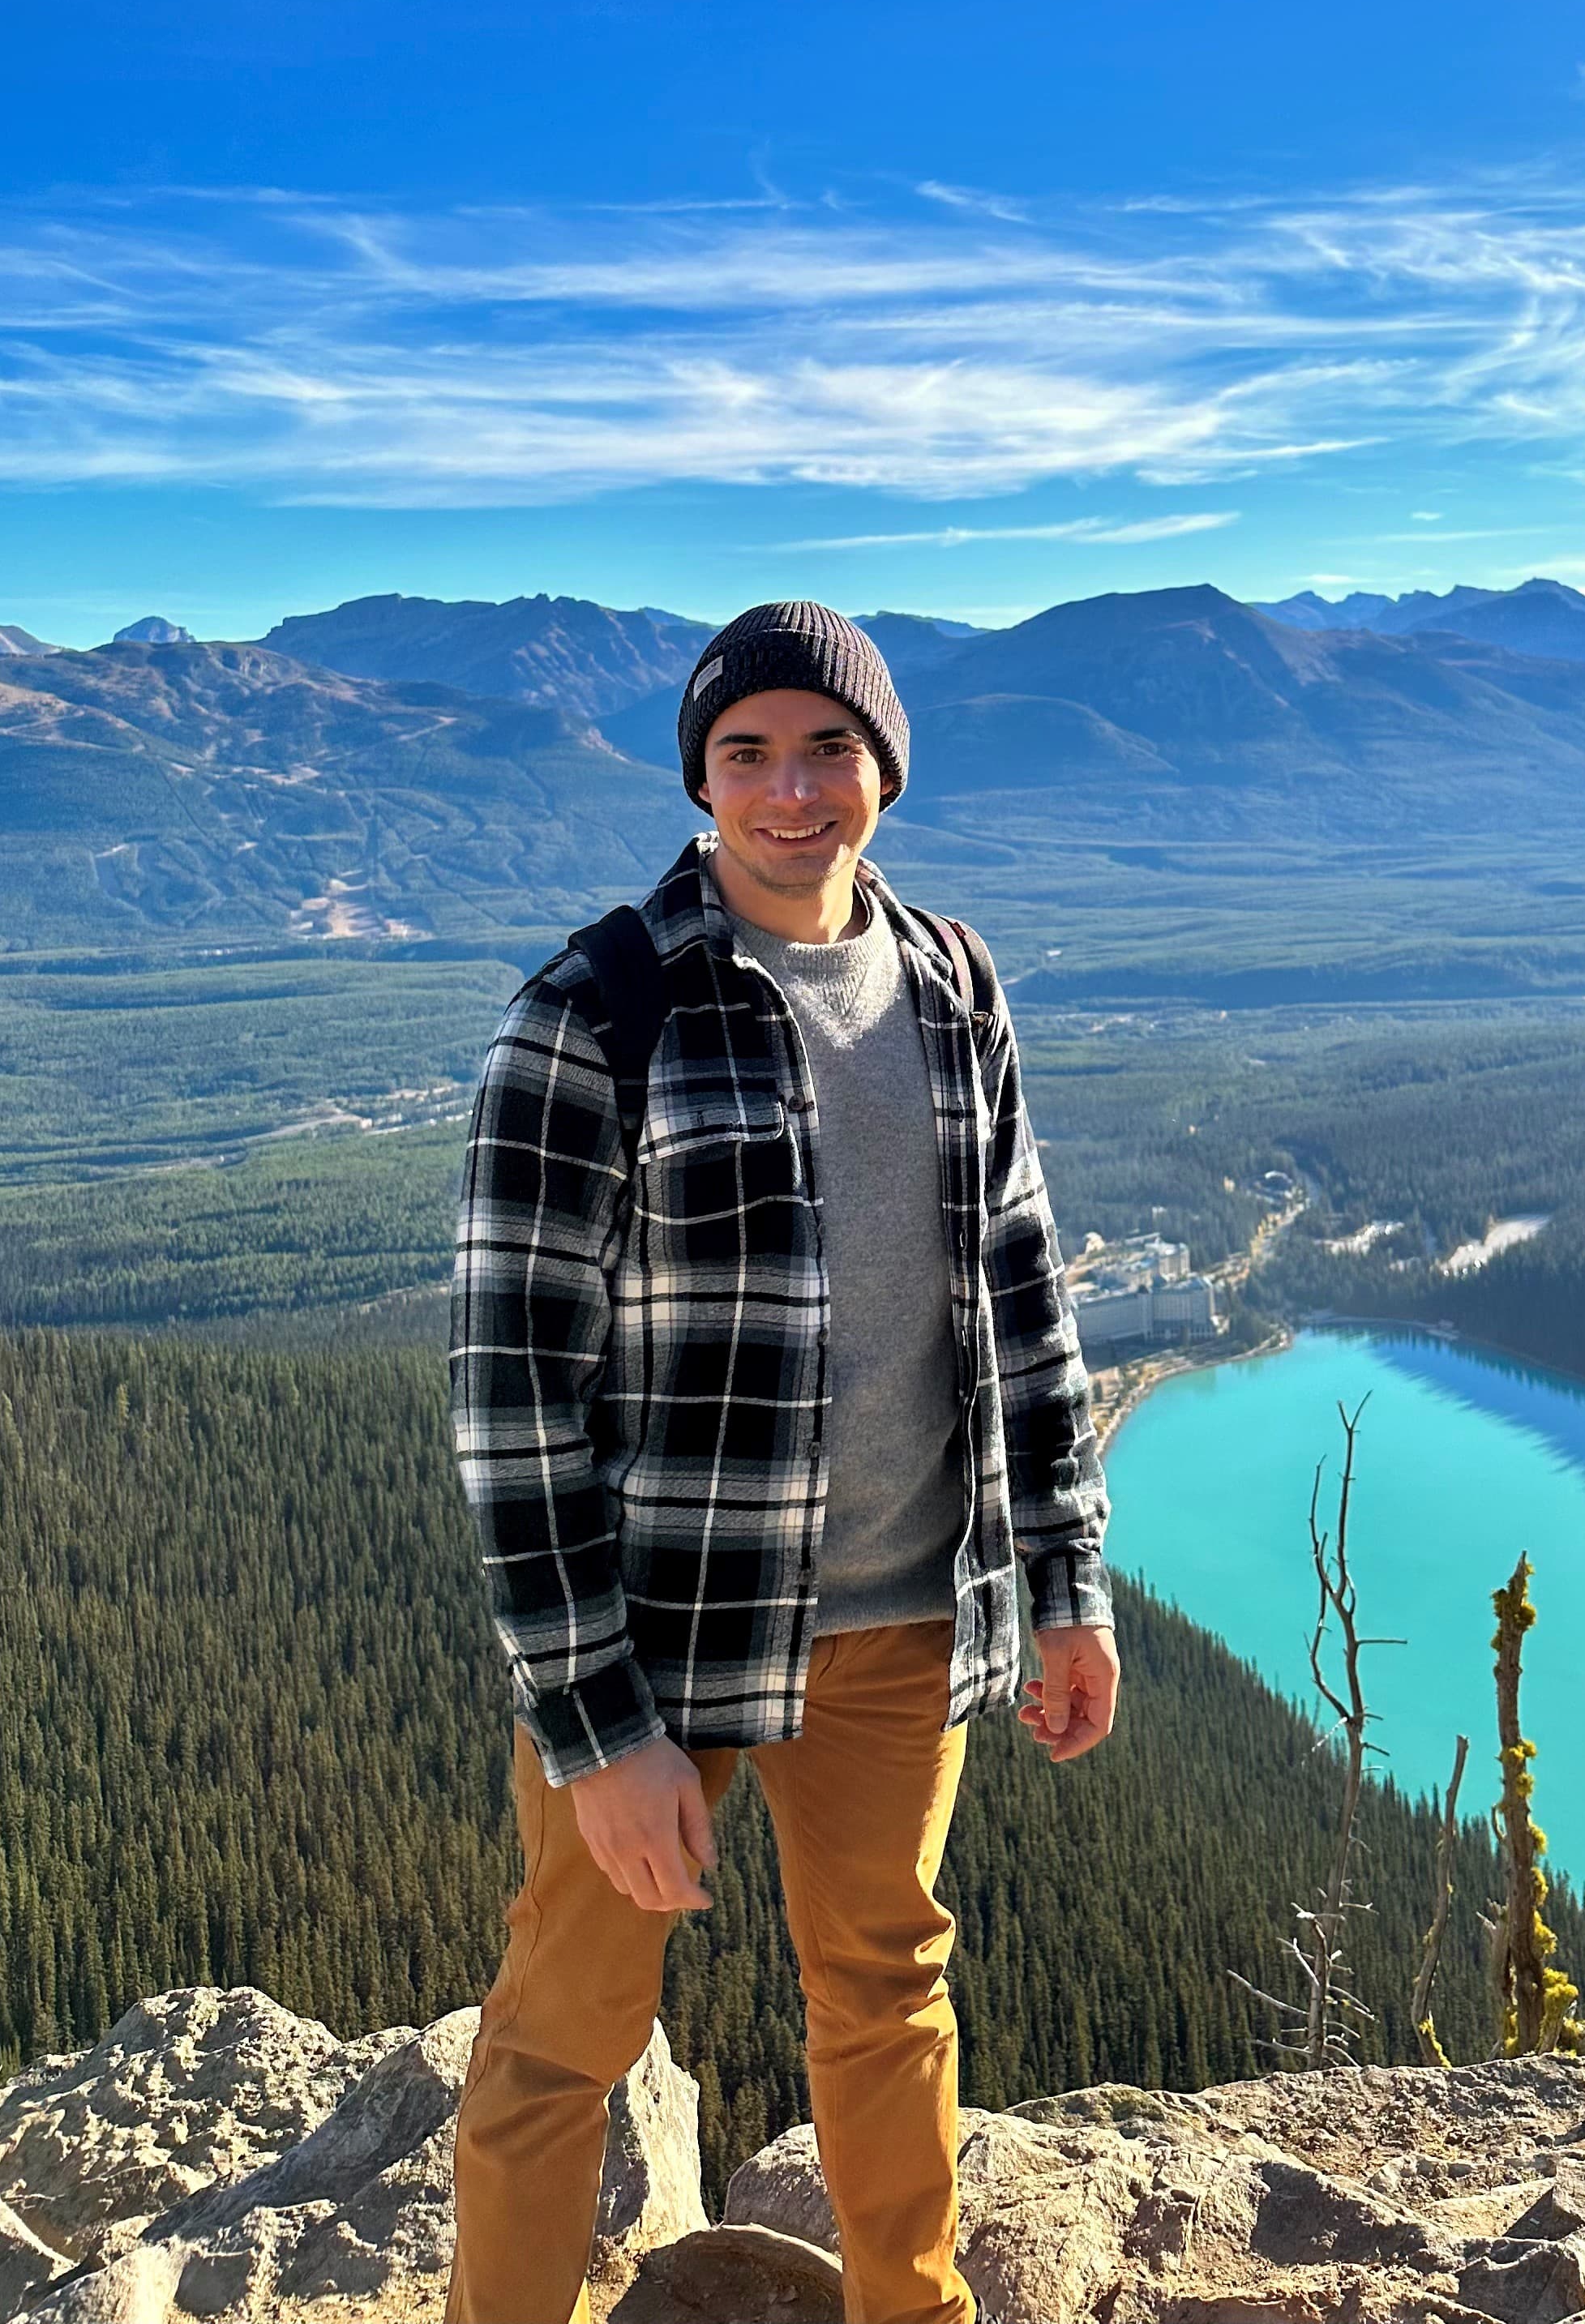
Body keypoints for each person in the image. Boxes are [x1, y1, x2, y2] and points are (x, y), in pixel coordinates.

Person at [445, 599, 1118, 2324]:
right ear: (700, 777)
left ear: (884, 767)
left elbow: (1023, 1310)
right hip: (668, 1643)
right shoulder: (597, 1011)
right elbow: (511, 1408)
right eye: (748, 752)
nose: (791, 789)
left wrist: (1065, 1585)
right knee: (561, 2039)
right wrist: (601, 1729)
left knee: (887, 1991)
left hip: (906, 1619)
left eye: (830, 748)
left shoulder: (955, 985)